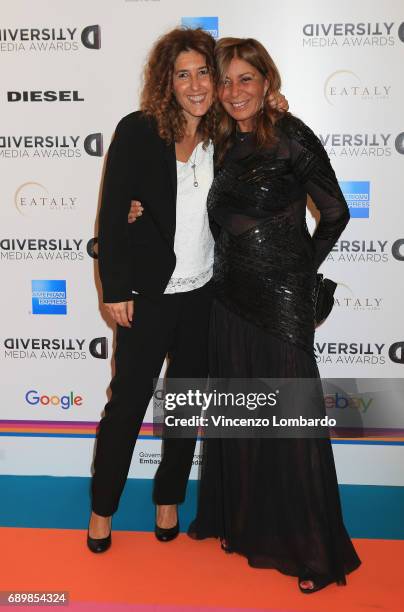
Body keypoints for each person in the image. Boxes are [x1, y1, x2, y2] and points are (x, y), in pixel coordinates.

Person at [89, 27, 287, 553]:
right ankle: (102, 508)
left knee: (186, 405)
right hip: (149, 296)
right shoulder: (137, 131)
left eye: (205, 73)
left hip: (206, 293)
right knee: (127, 404)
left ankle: (168, 498)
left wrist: (278, 105)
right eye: (184, 74)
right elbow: (113, 213)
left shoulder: (225, 135)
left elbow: (269, 138)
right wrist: (116, 287)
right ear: (167, 81)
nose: (197, 84)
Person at [183, 37, 361, 594]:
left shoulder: (291, 136)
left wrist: (299, 273)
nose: (235, 92)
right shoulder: (221, 142)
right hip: (228, 297)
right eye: (227, 81)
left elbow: (335, 211)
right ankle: (244, 522)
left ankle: (312, 551)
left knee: (290, 423)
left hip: (280, 301)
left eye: (246, 80)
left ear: (267, 84)